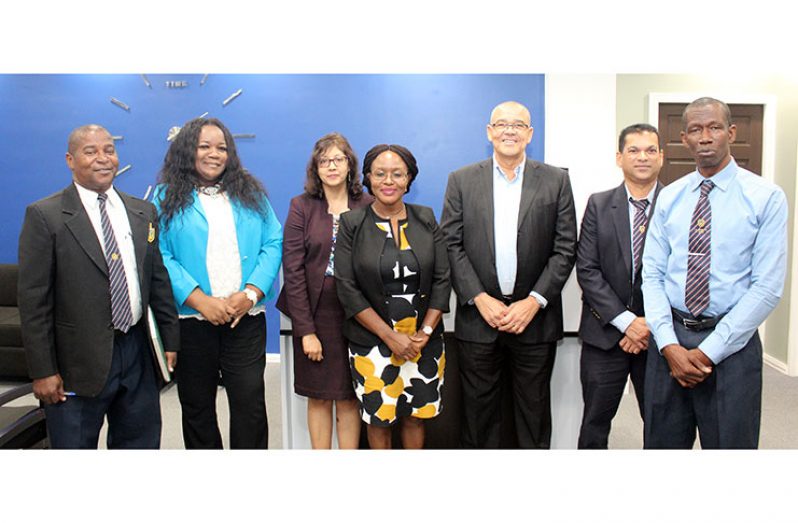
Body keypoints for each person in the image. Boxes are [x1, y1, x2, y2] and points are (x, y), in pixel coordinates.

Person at [17, 124, 179, 449]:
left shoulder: (142, 212)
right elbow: (34, 303)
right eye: (90, 151)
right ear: (70, 160)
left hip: (137, 353)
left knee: (140, 446)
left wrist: (170, 341)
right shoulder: (46, 216)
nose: (103, 159)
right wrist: (43, 370)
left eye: (109, 150)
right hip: (75, 363)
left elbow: (157, 281)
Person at [641, 97, 787, 449]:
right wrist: (669, 344)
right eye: (695, 129)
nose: (705, 137)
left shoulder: (765, 197)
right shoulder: (671, 197)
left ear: (731, 133)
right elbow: (653, 274)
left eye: (714, 128)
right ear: (684, 138)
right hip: (669, 346)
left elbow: (767, 287)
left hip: (731, 347)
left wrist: (709, 352)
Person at [441, 100, 577, 449]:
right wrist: (479, 298)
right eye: (501, 124)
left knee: (533, 415)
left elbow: (565, 248)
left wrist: (534, 302)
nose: (509, 131)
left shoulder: (556, 180)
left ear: (530, 134)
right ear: (489, 132)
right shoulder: (461, 180)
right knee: (478, 416)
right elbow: (451, 245)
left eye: (518, 125)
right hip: (479, 318)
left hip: (535, 320)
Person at [152, 117, 282, 449]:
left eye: (222, 148)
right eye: (205, 146)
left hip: (245, 318)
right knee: (197, 408)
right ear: (187, 150)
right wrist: (198, 299)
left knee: (250, 404)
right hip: (193, 321)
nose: (215, 154)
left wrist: (251, 294)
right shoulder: (165, 196)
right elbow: (160, 253)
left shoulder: (250, 191)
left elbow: (273, 241)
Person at [334, 144, 450, 449]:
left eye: (397, 174)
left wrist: (424, 332)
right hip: (372, 342)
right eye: (380, 173)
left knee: (416, 416)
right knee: (379, 419)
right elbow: (346, 287)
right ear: (368, 178)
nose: (388, 181)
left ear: (409, 178)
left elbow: (442, 278)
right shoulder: (351, 224)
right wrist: (389, 336)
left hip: (422, 342)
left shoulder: (425, 218)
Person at [276, 132, 372, 449]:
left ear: (350, 165)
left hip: (359, 315)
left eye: (338, 159)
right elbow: (293, 269)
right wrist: (306, 331)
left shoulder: (368, 205)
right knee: (318, 397)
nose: (331, 166)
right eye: (324, 160)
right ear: (316, 168)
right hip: (316, 315)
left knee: (348, 396)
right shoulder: (301, 206)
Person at [575, 123, 663, 449]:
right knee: (594, 424)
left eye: (650, 150)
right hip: (604, 337)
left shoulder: (677, 203)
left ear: (661, 157)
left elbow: (683, 274)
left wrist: (648, 325)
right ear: (619, 157)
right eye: (634, 150)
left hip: (659, 338)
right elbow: (587, 269)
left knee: (662, 426)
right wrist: (627, 323)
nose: (642, 157)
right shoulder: (598, 204)